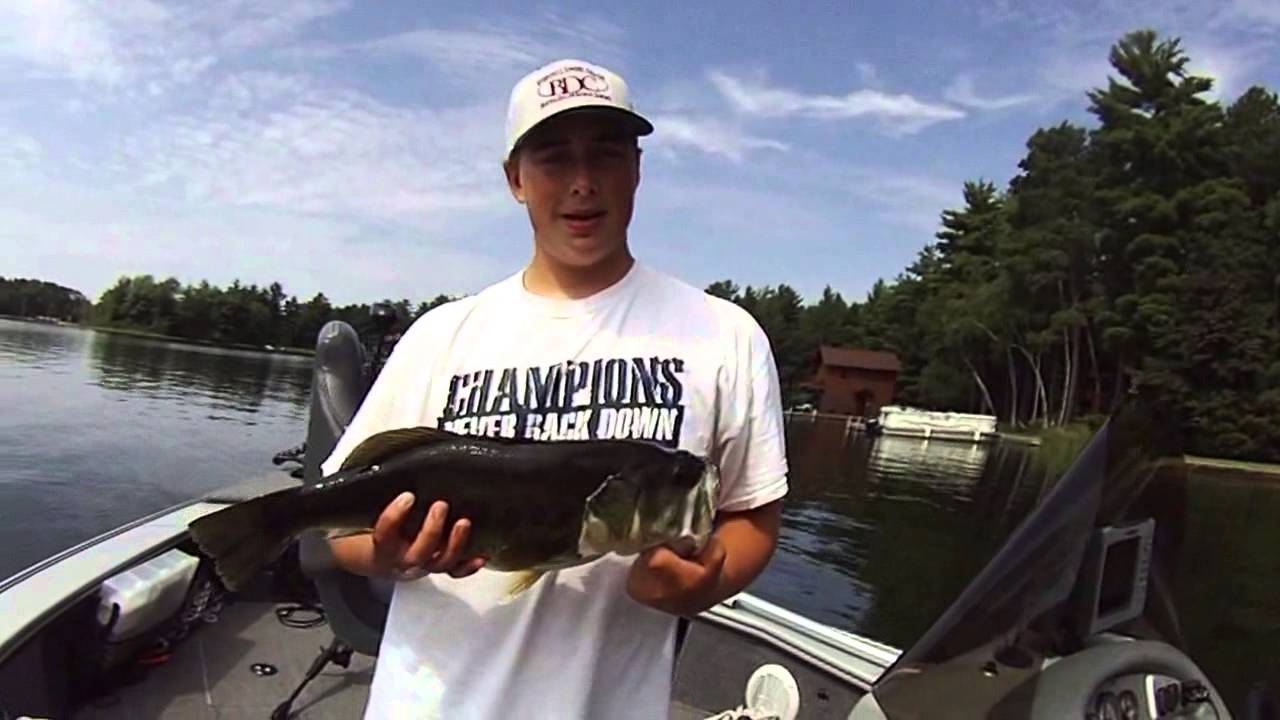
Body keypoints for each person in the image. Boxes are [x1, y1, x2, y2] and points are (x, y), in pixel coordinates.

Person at [321, 58, 790, 719]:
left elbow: (752, 517)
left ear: (637, 169)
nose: (581, 182)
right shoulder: (439, 336)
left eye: (606, 153)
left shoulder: (725, 336)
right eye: (552, 158)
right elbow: (343, 531)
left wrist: (700, 583)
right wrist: (390, 552)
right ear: (515, 179)